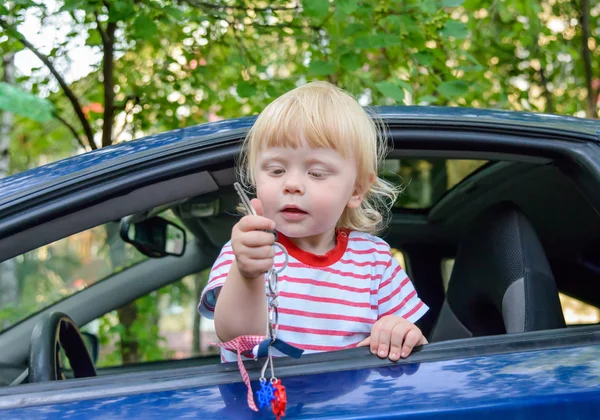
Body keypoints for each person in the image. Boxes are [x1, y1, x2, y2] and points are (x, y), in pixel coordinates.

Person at [199, 81, 428, 363]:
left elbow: (415, 345)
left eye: (317, 173)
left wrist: (402, 332)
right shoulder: (246, 252)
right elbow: (236, 337)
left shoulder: (374, 261)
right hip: (267, 407)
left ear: (356, 189)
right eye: (276, 170)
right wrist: (248, 274)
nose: (292, 184)